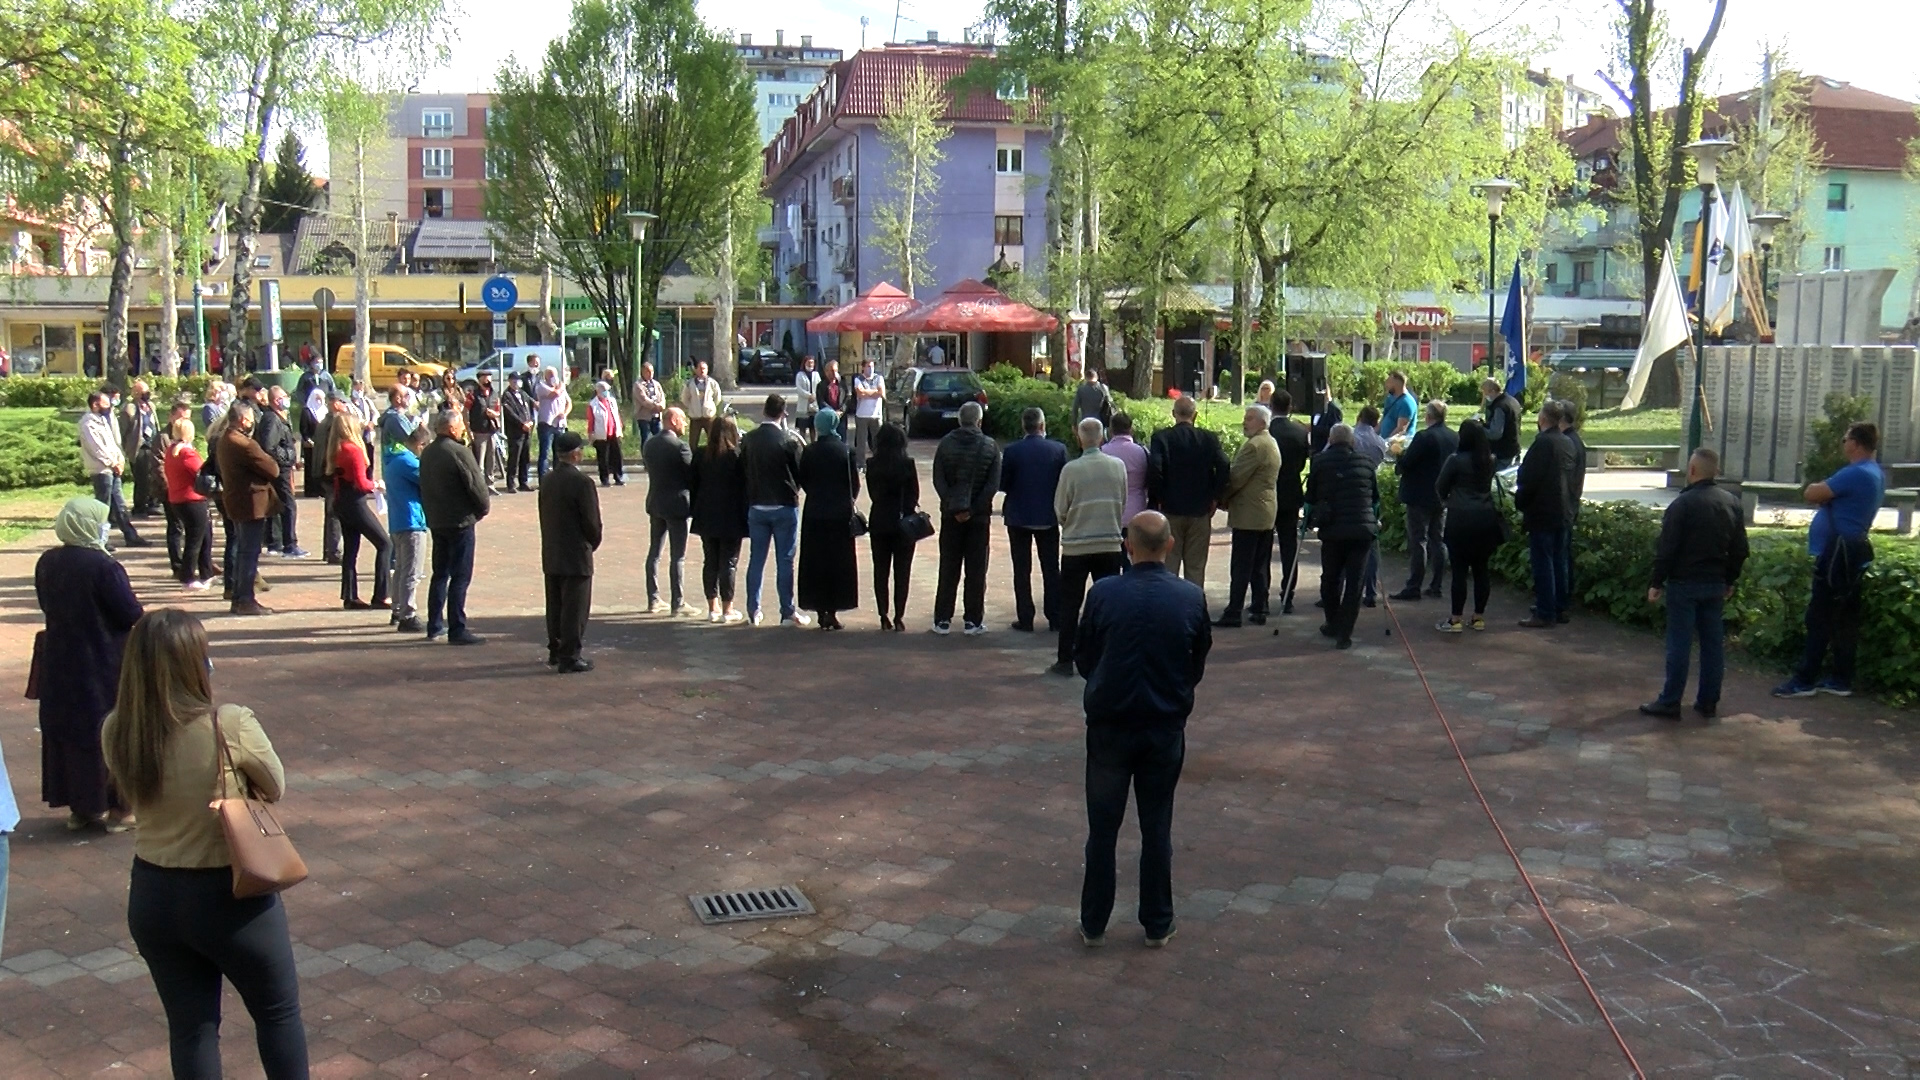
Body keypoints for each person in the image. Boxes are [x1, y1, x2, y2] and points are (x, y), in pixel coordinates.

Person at [101, 609, 309, 1078]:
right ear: (194, 663)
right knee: (277, 1013)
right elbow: (274, 785)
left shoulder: (117, 730)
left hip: (153, 894)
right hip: (229, 895)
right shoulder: (228, 723)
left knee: (191, 1028)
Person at [1074, 510, 1211, 949]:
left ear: (1127, 546)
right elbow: (1197, 660)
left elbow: (1084, 655)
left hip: (1111, 724)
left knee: (1102, 829)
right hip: (1163, 724)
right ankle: (1157, 921)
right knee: (1156, 826)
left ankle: (1094, 922)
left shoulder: (1103, 593)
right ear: (1170, 545)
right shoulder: (1190, 596)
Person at [36, 498, 143, 832]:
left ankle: (81, 808)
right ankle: (119, 809)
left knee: (69, 732)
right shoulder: (104, 566)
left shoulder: (48, 561)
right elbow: (129, 613)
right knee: (110, 730)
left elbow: (45, 603)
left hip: (60, 660)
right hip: (103, 661)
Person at [1774, 421, 1886, 698]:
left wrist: (1824, 494)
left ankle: (1804, 680)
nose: (1843, 443)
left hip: (1835, 554)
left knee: (1819, 616)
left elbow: (1811, 492)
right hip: (1853, 552)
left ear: (1855, 444)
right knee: (1844, 617)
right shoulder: (1874, 472)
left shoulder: (1855, 472)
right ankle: (1840, 679)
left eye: (1845, 439)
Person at [1642, 448, 1749, 718]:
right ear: (1716, 471)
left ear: (1691, 471)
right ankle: (1708, 700)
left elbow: (1667, 548)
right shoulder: (1731, 503)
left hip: (1684, 583)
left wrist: (1656, 581)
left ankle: (1671, 700)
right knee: (1712, 645)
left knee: (1679, 643)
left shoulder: (1682, 505)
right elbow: (1740, 549)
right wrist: (1730, 578)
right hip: (1715, 582)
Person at [1051, 418, 1128, 676]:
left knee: (1070, 604)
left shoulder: (1071, 470)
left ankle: (1065, 660)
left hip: (1076, 546)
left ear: (1079, 438)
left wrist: (1073, 522)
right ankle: (1106, 658)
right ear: (1103, 437)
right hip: (1110, 543)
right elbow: (1123, 501)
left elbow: (1060, 509)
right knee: (1108, 604)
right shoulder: (1118, 467)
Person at [419, 409, 490, 645]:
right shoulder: (459, 452)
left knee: (440, 573)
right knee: (460, 575)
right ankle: (457, 627)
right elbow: (476, 485)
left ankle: (434, 624)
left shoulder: (428, 452)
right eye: (460, 425)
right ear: (451, 428)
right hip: (459, 520)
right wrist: (482, 509)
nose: (462, 429)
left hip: (437, 520)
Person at [1305, 424, 1379, 649]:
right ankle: (1345, 633)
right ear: (1352, 441)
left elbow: (1310, 498)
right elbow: (1375, 500)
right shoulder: (1366, 462)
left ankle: (1332, 622)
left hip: (1333, 530)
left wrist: (1307, 522)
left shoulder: (1319, 462)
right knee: (1355, 582)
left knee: (1330, 577)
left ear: (1330, 439)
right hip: (1362, 531)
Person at [931, 401, 1002, 636]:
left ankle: (942, 619)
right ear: (979, 421)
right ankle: (973, 620)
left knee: (948, 567)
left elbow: (938, 479)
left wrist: (952, 505)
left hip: (950, 516)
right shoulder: (990, 446)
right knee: (976, 569)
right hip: (979, 518)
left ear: (959, 420)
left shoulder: (945, 444)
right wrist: (974, 509)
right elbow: (992, 485)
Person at [741, 394, 809, 627]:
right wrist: (795, 488)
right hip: (784, 505)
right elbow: (799, 472)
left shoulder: (749, 439)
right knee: (785, 560)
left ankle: (753, 609)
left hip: (757, 504)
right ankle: (787, 611)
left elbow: (743, 469)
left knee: (756, 560)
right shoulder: (788, 441)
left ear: (764, 411)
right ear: (783, 413)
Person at [1146, 396, 1229, 586]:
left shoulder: (1161, 438)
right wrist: (1215, 496)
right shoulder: (1208, 438)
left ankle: (1170, 602)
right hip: (1200, 509)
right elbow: (1224, 464)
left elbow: (1155, 468)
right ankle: (1195, 601)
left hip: (1171, 508)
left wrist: (1159, 496)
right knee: (1196, 567)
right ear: (1195, 415)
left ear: (1173, 414)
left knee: (1169, 564)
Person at [538, 432, 603, 673]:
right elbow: (591, 522)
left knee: (555, 604)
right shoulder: (582, 483)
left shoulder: (547, 480)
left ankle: (556, 650)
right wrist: (593, 541)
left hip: (553, 549)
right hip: (576, 552)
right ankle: (570, 655)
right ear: (575, 454)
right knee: (575, 608)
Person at [1000, 407, 1068, 632]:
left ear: (1024, 426)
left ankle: (1026, 617)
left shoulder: (1012, 451)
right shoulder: (1058, 450)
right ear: (1042, 425)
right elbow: (1064, 482)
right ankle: (1055, 616)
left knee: (1021, 569)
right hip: (1048, 516)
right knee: (1051, 568)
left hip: (1018, 516)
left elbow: (1003, 483)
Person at [1433, 419, 1504, 633]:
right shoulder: (1490, 460)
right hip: (1486, 518)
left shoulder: (1455, 460)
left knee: (1459, 571)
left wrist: (1448, 500)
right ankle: (1478, 617)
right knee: (1482, 569)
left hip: (1460, 518)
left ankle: (1455, 619)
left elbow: (1440, 486)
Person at [1215, 404, 1282, 628]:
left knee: (1242, 564)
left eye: (1250, 418)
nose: (1245, 422)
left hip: (1249, 512)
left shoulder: (1254, 446)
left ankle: (1234, 610)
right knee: (1260, 564)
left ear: (1262, 422)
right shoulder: (1271, 442)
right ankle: (1260, 606)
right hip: (1265, 511)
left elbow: (1236, 477)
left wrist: (1220, 498)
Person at [1514, 402, 1578, 628]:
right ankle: (1559, 606)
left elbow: (1528, 477)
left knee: (1543, 562)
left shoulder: (1542, 443)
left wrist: (1521, 501)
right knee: (1560, 561)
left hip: (1543, 511)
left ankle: (1545, 610)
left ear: (1542, 418)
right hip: (1563, 510)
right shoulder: (1567, 442)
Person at [216, 400, 282, 616]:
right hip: (250, 503)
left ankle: (239, 596)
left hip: (236, 500)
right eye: (251, 418)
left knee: (243, 550)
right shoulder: (244, 444)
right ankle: (245, 598)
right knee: (249, 552)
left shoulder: (225, 439)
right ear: (244, 420)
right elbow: (273, 469)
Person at [799, 409, 861, 630]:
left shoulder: (809, 451)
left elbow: (803, 480)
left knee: (816, 563)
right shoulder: (846, 451)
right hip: (840, 514)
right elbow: (854, 484)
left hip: (815, 513)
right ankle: (833, 611)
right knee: (837, 563)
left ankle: (819, 609)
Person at [1390, 400, 1458, 601]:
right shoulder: (1454, 436)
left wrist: (1398, 455)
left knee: (1419, 540)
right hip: (1442, 495)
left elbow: (1407, 463)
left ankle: (1414, 586)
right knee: (1438, 540)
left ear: (1428, 416)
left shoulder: (1424, 437)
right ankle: (1436, 585)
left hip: (1419, 495)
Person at [325, 408, 389, 612]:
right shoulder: (353, 450)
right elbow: (361, 483)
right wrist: (376, 485)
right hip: (355, 502)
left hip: (342, 501)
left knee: (351, 550)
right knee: (384, 544)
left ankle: (350, 596)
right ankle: (381, 594)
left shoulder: (337, 448)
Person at [690, 416, 749, 624]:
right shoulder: (737, 456)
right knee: (729, 562)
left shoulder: (701, 455)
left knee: (710, 561)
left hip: (706, 514)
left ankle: (712, 607)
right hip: (731, 515)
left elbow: (693, 484)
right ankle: (727, 608)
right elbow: (745, 487)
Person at [864, 421, 921, 631]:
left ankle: (883, 614)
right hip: (903, 523)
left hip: (879, 521)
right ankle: (899, 616)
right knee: (902, 572)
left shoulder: (872, 464)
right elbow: (914, 495)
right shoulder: (907, 464)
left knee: (881, 571)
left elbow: (872, 493)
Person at [80, 389, 148, 547]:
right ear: (95, 405)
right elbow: (97, 448)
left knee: (120, 505)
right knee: (103, 507)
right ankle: (99, 540)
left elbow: (113, 443)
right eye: (105, 404)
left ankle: (131, 536)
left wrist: (120, 460)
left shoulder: (103, 420)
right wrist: (112, 463)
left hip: (113, 468)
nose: (109, 406)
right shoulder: (88, 423)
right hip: (101, 470)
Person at [643, 408, 695, 615]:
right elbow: (692, 476)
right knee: (677, 556)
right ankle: (678, 602)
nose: (685, 424)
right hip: (677, 506)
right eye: (682, 420)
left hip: (656, 502)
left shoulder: (649, 444)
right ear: (673, 420)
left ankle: (653, 599)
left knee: (654, 553)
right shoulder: (680, 447)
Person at [1268, 391, 1311, 615]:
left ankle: (1260, 596)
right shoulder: (1300, 432)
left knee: (1263, 546)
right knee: (1289, 546)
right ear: (1290, 406)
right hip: (1291, 493)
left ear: (1271, 405)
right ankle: (1288, 595)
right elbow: (1303, 461)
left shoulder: (1266, 431)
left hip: (1268, 493)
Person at [385, 424, 430, 634]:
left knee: (402, 569)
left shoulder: (395, 459)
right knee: (412, 571)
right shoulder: (408, 462)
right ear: (420, 445)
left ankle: (398, 608)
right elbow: (428, 480)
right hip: (412, 520)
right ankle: (408, 613)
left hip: (398, 520)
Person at [162, 418, 216, 590]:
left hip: (177, 498)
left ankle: (206, 572)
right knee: (195, 539)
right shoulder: (187, 453)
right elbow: (201, 472)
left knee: (205, 536)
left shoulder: (171, 450)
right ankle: (187, 576)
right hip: (192, 500)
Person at [257, 386, 303, 558]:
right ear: (276, 400)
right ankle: (289, 544)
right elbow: (269, 446)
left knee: (281, 504)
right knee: (288, 504)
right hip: (279, 469)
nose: (287, 399)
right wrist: (287, 456)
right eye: (284, 396)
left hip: (281, 467)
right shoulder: (272, 419)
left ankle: (278, 542)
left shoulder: (279, 417)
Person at [120, 379, 162, 516]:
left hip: (152, 445)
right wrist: (125, 449)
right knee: (142, 479)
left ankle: (153, 503)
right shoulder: (129, 409)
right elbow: (123, 431)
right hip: (138, 448)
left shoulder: (151, 406)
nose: (147, 394)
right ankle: (139, 507)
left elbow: (155, 424)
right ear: (136, 393)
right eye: (144, 391)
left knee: (154, 476)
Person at [1104, 412, 1149, 529]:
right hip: (1137, 511)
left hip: (1110, 514)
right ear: (1131, 429)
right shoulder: (1141, 452)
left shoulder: (1103, 452)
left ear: (1111, 430)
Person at [467, 371, 504, 493]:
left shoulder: (494, 394)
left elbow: (498, 412)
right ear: (479, 380)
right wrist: (468, 429)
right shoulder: (473, 395)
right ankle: (479, 487)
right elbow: (465, 412)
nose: (488, 381)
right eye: (485, 378)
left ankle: (490, 484)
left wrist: (494, 414)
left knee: (491, 459)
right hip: (479, 431)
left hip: (492, 431)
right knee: (480, 462)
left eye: (489, 378)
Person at [586, 381, 627, 487]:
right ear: (598, 390)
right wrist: (591, 434)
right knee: (603, 458)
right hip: (601, 434)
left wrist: (620, 427)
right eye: (604, 390)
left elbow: (616, 415)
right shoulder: (593, 404)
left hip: (614, 432)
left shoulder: (612, 401)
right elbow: (591, 420)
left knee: (617, 456)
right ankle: (605, 479)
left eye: (607, 390)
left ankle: (618, 477)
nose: (606, 392)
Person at [500, 374, 534, 494]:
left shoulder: (523, 394)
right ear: (509, 381)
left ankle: (523, 482)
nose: (516, 383)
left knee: (525, 457)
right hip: (515, 432)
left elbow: (529, 408)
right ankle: (511, 484)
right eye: (514, 381)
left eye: (518, 381)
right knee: (514, 458)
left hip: (527, 431)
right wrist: (521, 424)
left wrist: (530, 421)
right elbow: (510, 413)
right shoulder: (507, 395)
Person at [534, 367, 569, 479]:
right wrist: (562, 386)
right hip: (546, 424)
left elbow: (569, 402)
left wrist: (564, 413)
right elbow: (555, 394)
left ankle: (558, 478)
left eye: (554, 375)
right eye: (550, 375)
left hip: (559, 424)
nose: (553, 377)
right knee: (545, 453)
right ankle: (543, 479)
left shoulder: (560, 387)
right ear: (546, 376)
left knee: (559, 453)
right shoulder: (541, 386)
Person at [681, 359, 722, 453]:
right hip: (695, 417)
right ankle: (693, 457)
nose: (702, 370)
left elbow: (717, 397)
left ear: (707, 370)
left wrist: (710, 407)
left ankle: (712, 457)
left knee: (712, 440)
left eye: (704, 368)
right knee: (693, 442)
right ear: (696, 370)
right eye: (700, 368)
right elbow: (684, 398)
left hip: (709, 417)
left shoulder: (712, 383)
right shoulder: (690, 383)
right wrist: (692, 407)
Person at [1482, 377, 1522, 469]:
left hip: (1503, 453)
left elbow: (1495, 433)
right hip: (1514, 448)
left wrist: (1480, 429)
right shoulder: (1512, 401)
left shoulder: (1500, 407)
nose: (1485, 396)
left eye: (1485, 393)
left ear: (1492, 391)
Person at [851, 358, 885, 465]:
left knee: (877, 441)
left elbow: (881, 393)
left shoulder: (879, 378)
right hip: (862, 415)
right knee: (861, 442)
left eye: (872, 366)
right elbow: (860, 393)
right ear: (863, 367)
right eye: (868, 366)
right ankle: (861, 463)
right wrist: (874, 392)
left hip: (876, 415)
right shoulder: (858, 379)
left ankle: (878, 462)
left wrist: (867, 393)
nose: (871, 369)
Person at [632, 361, 666, 443]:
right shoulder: (638, 385)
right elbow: (643, 400)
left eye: (652, 371)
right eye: (648, 371)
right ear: (642, 372)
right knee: (646, 439)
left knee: (660, 439)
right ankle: (645, 451)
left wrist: (662, 405)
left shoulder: (656, 384)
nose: (650, 374)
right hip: (644, 417)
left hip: (657, 417)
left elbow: (662, 396)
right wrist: (655, 406)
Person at [815, 358, 850, 437]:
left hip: (841, 417)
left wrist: (841, 410)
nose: (834, 373)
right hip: (828, 419)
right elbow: (821, 401)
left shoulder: (842, 383)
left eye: (836, 370)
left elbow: (847, 397)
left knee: (842, 439)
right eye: (832, 371)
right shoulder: (821, 385)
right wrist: (833, 413)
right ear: (826, 372)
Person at [1379, 370, 1414, 442]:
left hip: (1398, 445)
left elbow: (1400, 430)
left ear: (1397, 383)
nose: (1386, 385)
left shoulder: (1406, 403)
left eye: (1389, 382)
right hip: (1385, 442)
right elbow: (1383, 420)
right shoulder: (1390, 398)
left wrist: (1386, 442)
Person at [793, 355, 821, 443]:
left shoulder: (816, 374)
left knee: (813, 428)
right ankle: (802, 446)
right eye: (808, 362)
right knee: (802, 429)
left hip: (814, 405)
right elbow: (799, 389)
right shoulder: (800, 375)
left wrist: (815, 396)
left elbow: (819, 387)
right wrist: (809, 396)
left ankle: (813, 445)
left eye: (812, 363)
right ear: (804, 363)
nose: (810, 364)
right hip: (803, 405)